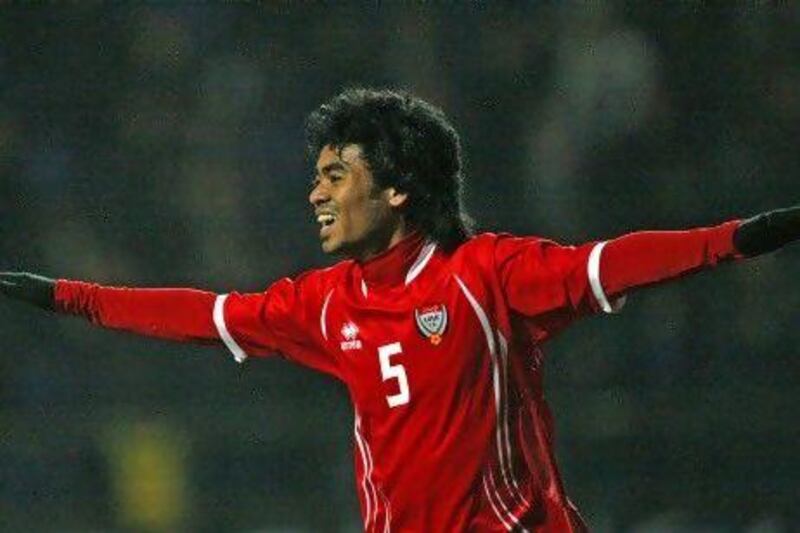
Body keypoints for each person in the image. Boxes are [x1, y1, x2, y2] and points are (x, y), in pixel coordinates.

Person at [1, 88, 798, 532]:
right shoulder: (321, 303)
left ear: (397, 187)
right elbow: (199, 314)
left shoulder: (487, 276)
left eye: (335, 174)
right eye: (315, 174)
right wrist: (66, 295)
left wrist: (737, 237)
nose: (314, 192)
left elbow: (617, 260)